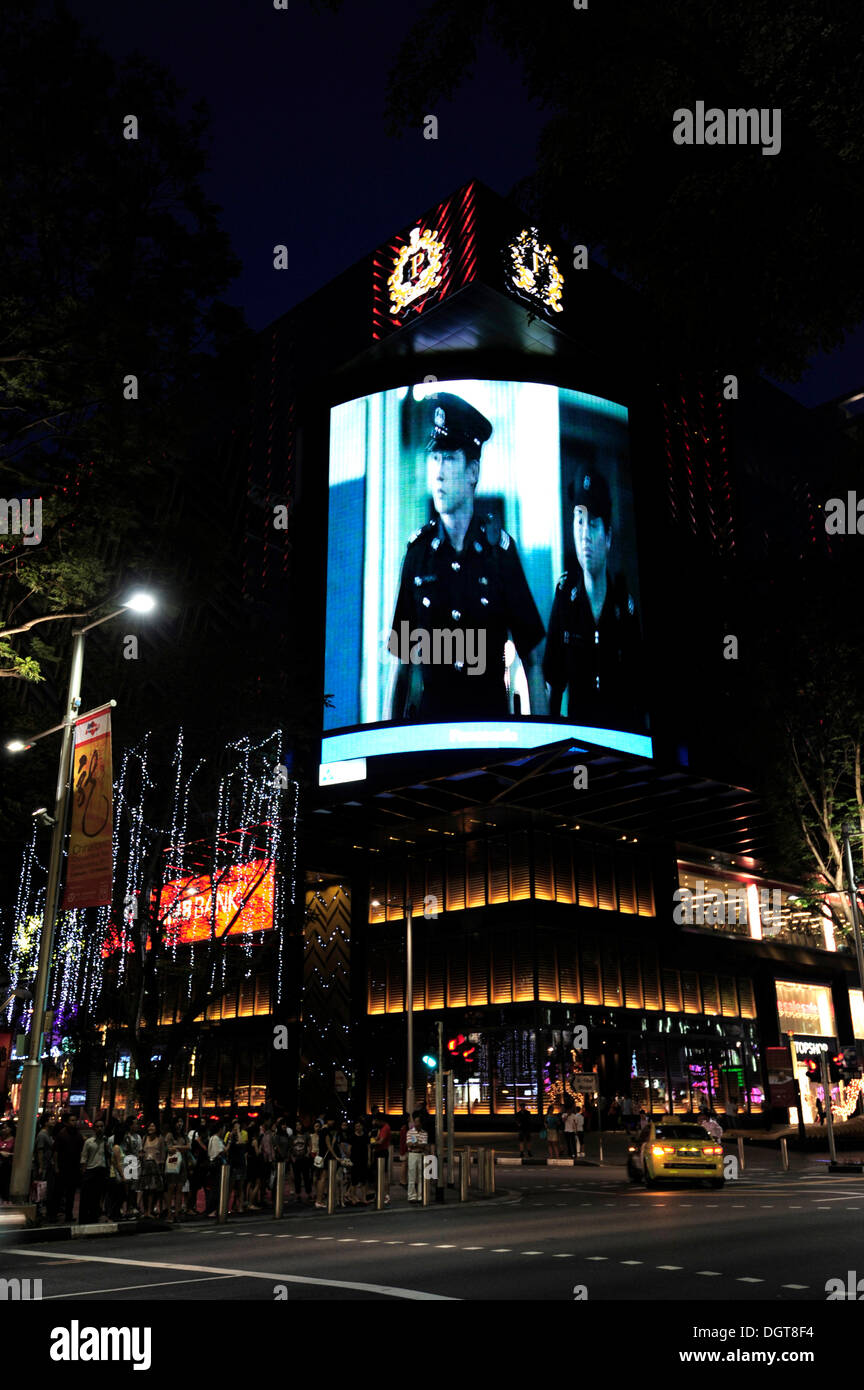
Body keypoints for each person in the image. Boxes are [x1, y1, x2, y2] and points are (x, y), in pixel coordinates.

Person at [389, 392, 547, 721]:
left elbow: (532, 658)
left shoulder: (499, 554)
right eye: (435, 458)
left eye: (449, 458)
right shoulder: (418, 554)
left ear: (473, 471)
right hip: (430, 742)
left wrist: (544, 741)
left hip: (490, 736)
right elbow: (401, 667)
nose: (439, 472)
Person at [543, 468, 643, 730]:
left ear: (607, 537)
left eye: (594, 524)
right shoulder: (565, 598)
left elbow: (640, 694)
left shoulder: (625, 605)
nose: (585, 534)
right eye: (579, 520)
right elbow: (554, 684)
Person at [50, 1113, 83, 1223]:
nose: (74, 1123)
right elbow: (56, 1152)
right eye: (72, 1120)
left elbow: (81, 1151)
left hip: (73, 1169)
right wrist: (56, 1167)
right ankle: (53, 1215)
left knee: (71, 1194)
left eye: (75, 1120)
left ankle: (69, 1215)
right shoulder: (62, 1134)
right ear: (67, 1122)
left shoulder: (78, 1135)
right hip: (63, 1168)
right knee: (58, 1193)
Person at [79, 1119, 110, 1224]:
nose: (100, 1129)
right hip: (90, 1170)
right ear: (94, 1128)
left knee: (98, 1196)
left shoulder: (106, 1141)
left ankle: (94, 1216)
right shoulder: (89, 1142)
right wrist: (84, 1171)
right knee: (87, 1196)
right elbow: (84, 1157)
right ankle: (84, 1217)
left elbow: (109, 1156)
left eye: (101, 1126)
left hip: (101, 1170)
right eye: (97, 1127)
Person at [164, 1119, 189, 1222]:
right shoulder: (170, 1135)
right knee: (170, 1188)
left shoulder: (184, 1135)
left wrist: (177, 1147)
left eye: (181, 1121)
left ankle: (177, 1213)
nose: (180, 1123)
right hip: (172, 1163)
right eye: (178, 1122)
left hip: (182, 1164)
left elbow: (189, 1146)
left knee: (179, 1189)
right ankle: (169, 1213)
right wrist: (181, 1148)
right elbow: (169, 1149)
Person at [141, 1121, 165, 1219]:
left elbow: (163, 1154)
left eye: (153, 1125)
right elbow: (142, 1151)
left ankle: (150, 1210)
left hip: (156, 1167)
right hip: (145, 1166)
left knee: (153, 1190)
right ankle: (145, 1211)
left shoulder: (160, 1139)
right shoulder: (144, 1138)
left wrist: (161, 1167)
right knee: (145, 1190)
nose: (151, 1127)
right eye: (149, 1126)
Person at [406, 1112, 430, 1202]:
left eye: (417, 1122)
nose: (415, 1124)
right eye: (415, 1122)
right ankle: (411, 1196)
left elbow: (424, 1145)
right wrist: (417, 1144)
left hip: (421, 1154)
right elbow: (409, 1144)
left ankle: (420, 1196)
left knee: (420, 1176)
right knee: (412, 1175)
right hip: (412, 1154)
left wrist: (416, 1144)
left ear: (421, 1123)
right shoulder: (410, 1132)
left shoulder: (424, 1133)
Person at [205, 1122, 227, 1216]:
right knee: (216, 1188)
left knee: (216, 1188)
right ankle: (212, 1210)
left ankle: (214, 1209)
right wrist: (229, 1143)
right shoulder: (215, 1139)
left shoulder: (215, 1138)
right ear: (220, 1129)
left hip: (215, 1164)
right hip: (216, 1165)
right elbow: (222, 1151)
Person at [371, 1111, 391, 1205]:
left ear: (380, 1120)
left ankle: (386, 1195)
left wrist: (372, 1143)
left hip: (382, 1152)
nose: (374, 1122)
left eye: (376, 1120)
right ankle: (379, 1194)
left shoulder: (385, 1128)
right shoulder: (381, 1128)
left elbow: (381, 1141)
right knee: (377, 1174)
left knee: (384, 1174)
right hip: (379, 1152)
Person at [347, 1120, 370, 1206]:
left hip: (363, 1160)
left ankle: (364, 1198)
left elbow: (368, 1148)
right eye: (356, 1126)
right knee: (354, 1181)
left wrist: (369, 1159)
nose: (358, 1127)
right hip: (354, 1160)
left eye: (359, 1126)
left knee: (364, 1180)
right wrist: (349, 1160)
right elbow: (349, 1149)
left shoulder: (366, 1136)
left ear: (362, 1126)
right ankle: (353, 1197)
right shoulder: (352, 1136)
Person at [0, 1121, 14, 1205]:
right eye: (3, 1128)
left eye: (6, 1127)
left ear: (11, 1129)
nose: (4, 1129)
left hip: (8, 1166)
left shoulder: (14, 1139)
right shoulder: (0, 1138)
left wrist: (8, 1154)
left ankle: (6, 1201)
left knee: (6, 1185)